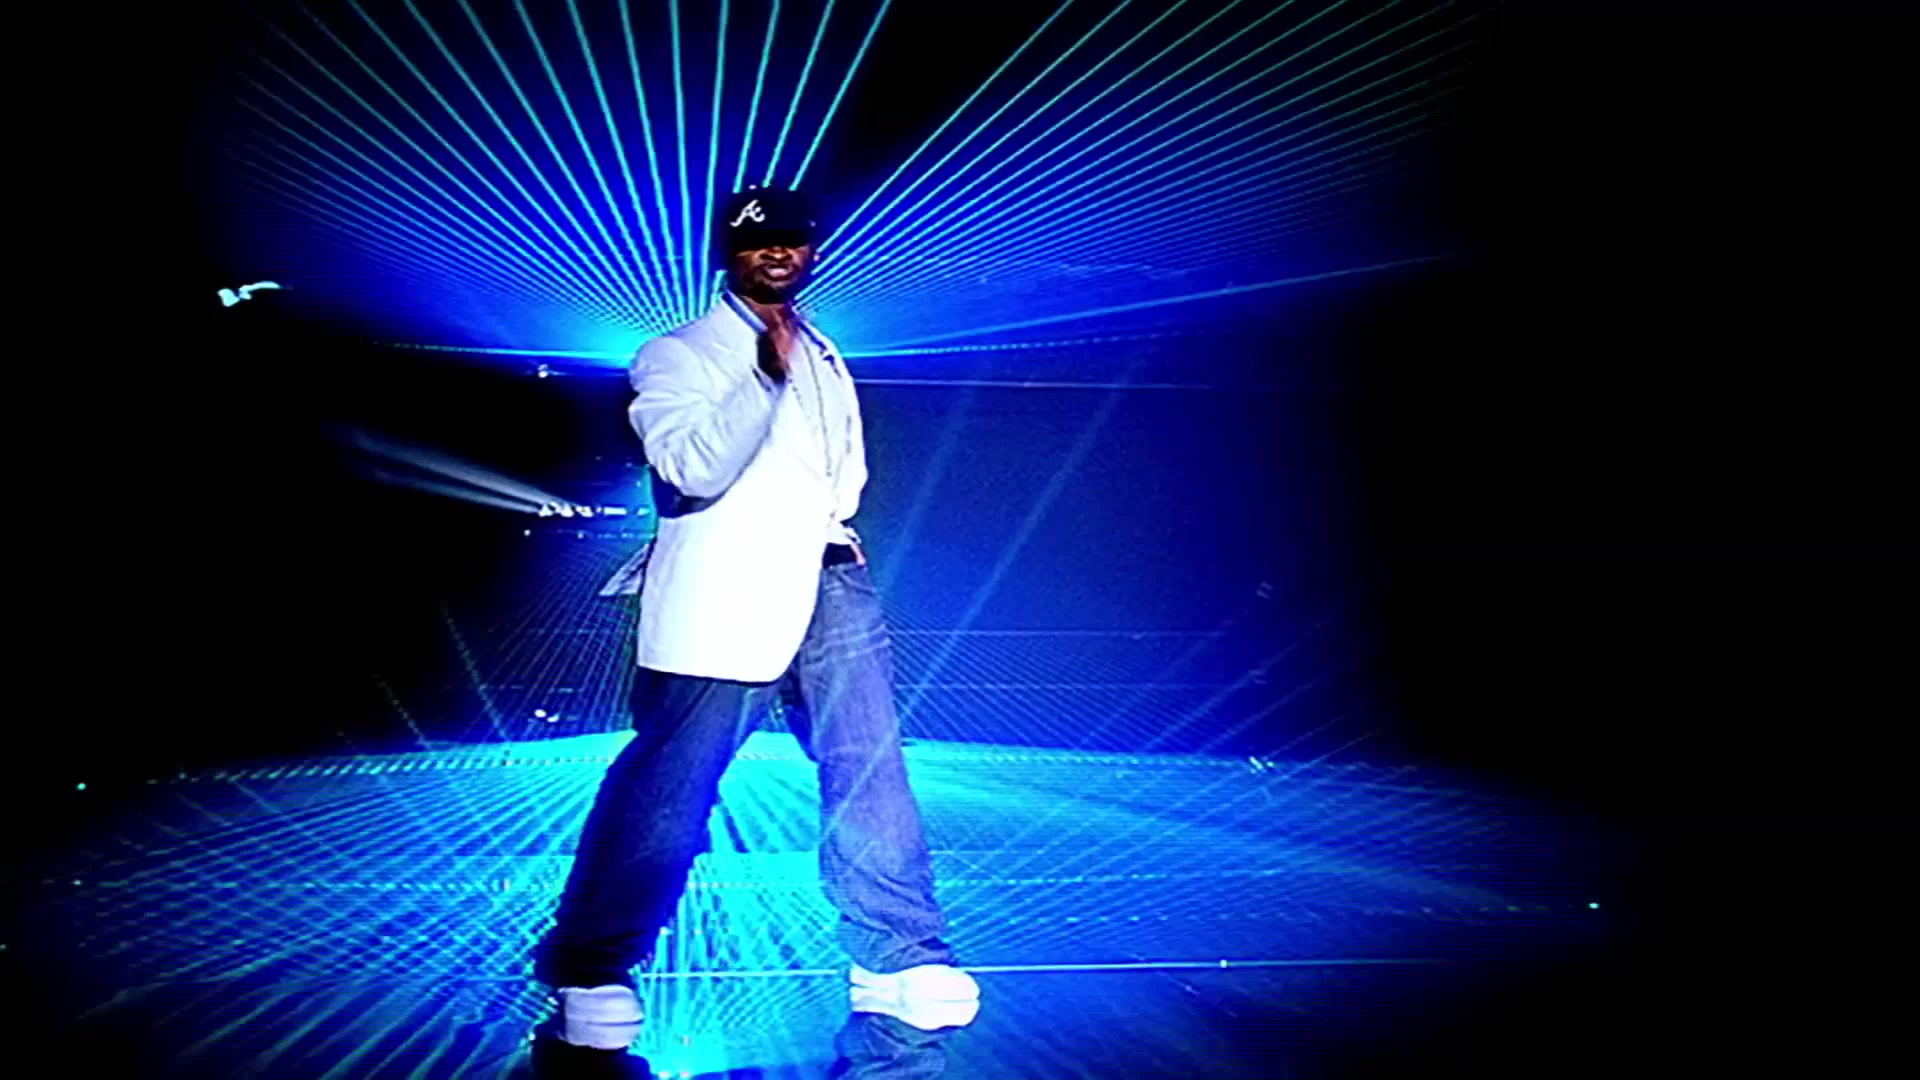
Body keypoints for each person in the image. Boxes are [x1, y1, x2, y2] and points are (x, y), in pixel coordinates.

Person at [530, 185, 979, 1068]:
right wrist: (764, 377)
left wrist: (834, 531)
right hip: (725, 590)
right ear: (725, 253)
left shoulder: (824, 349)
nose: (777, 252)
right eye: (756, 241)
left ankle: (897, 955)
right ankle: (592, 965)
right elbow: (691, 466)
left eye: (791, 240)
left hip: (831, 579)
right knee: (672, 784)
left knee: (870, 766)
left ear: (810, 250)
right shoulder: (678, 354)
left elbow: (836, 474)